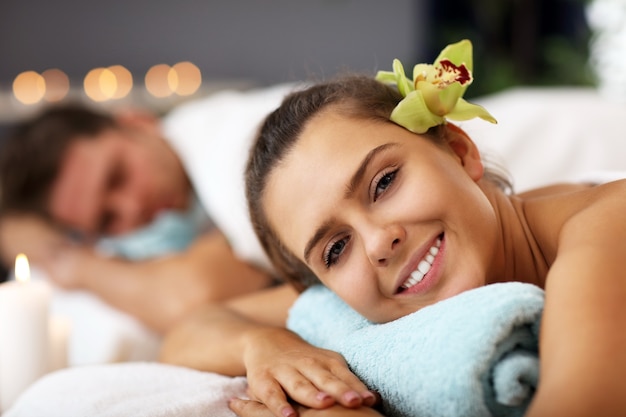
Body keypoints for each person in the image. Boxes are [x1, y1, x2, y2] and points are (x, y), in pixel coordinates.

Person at [161, 40, 626, 417]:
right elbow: (191, 329)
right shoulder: (367, 288)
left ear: (460, 151)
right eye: (336, 249)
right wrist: (268, 348)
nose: (379, 242)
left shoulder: (607, 225)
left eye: (384, 183)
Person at [0, 83, 295, 333]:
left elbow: (190, 299)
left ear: (137, 123)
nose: (131, 208)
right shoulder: (150, 234)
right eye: (106, 219)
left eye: (118, 176)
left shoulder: (239, 147)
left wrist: (77, 265)